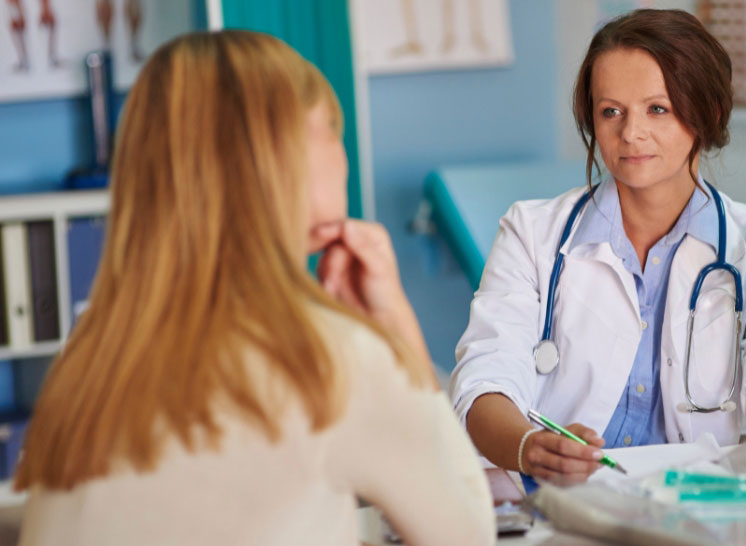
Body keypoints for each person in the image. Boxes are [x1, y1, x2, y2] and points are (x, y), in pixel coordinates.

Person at [15, 31, 495, 546]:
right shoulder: (328, 357)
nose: (343, 156)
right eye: (333, 130)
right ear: (285, 157)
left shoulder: (90, 357)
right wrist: (400, 336)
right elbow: (465, 534)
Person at [449, 9, 746, 485]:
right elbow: (483, 382)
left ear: (708, 112)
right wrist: (529, 448)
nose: (630, 133)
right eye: (611, 111)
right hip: (552, 504)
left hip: (694, 508)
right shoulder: (532, 234)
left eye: (658, 108)